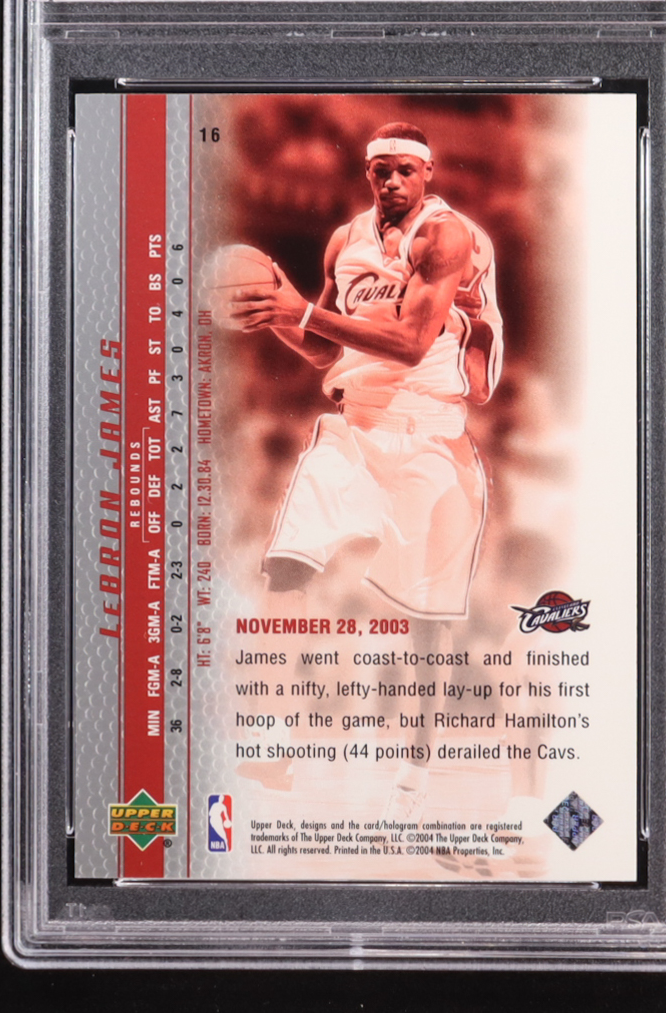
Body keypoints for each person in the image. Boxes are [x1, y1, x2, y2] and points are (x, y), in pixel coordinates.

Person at [223, 121, 503, 821]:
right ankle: (278, 741)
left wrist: (302, 311)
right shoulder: (344, 241)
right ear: (368, 174)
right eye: (382, 170)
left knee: (425, 618)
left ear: (428, 173)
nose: (393, 181)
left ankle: (414, 772)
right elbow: (325, 351)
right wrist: (278, 314)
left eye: (406, 169)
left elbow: (409, 342)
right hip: (355, 425)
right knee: (285, 564)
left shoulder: (446, 237)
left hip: (430, 432)